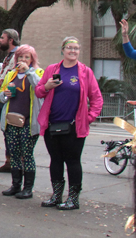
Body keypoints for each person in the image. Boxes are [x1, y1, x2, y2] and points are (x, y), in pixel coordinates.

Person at [34, 37, 103, 210]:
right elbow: (39, 92)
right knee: (55, 160)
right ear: (62, 50)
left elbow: (96, 98)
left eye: (76, 48)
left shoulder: (85, 72)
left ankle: (73, 198)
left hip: (74, 126)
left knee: (73, 161)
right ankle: (56, 195)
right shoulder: (52, 69)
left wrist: (88, 118)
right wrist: (48, 86)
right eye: (69, 48)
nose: (73, 51)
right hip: (52, 125)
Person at [0, 44, 44, 199]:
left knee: (27, 154)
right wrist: (5, 95)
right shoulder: (11, 74)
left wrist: (28, 72)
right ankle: (15, 185)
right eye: (21, 57)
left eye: (27, 57)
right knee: (15, 154)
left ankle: (28, 188)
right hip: (11, 120)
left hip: (29, 122)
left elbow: (40, 88)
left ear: (32, 59)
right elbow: (1, 96)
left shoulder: (37, 72)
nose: (23, 60)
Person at [0, 29, 21, 173]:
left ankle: (16, 163)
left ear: (11, 40)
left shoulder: (19, 55)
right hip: (3, 97)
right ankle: (9, 161)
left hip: (11, 99)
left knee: (12, 131)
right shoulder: (9, 56)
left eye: (2, 38)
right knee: (6, 131)